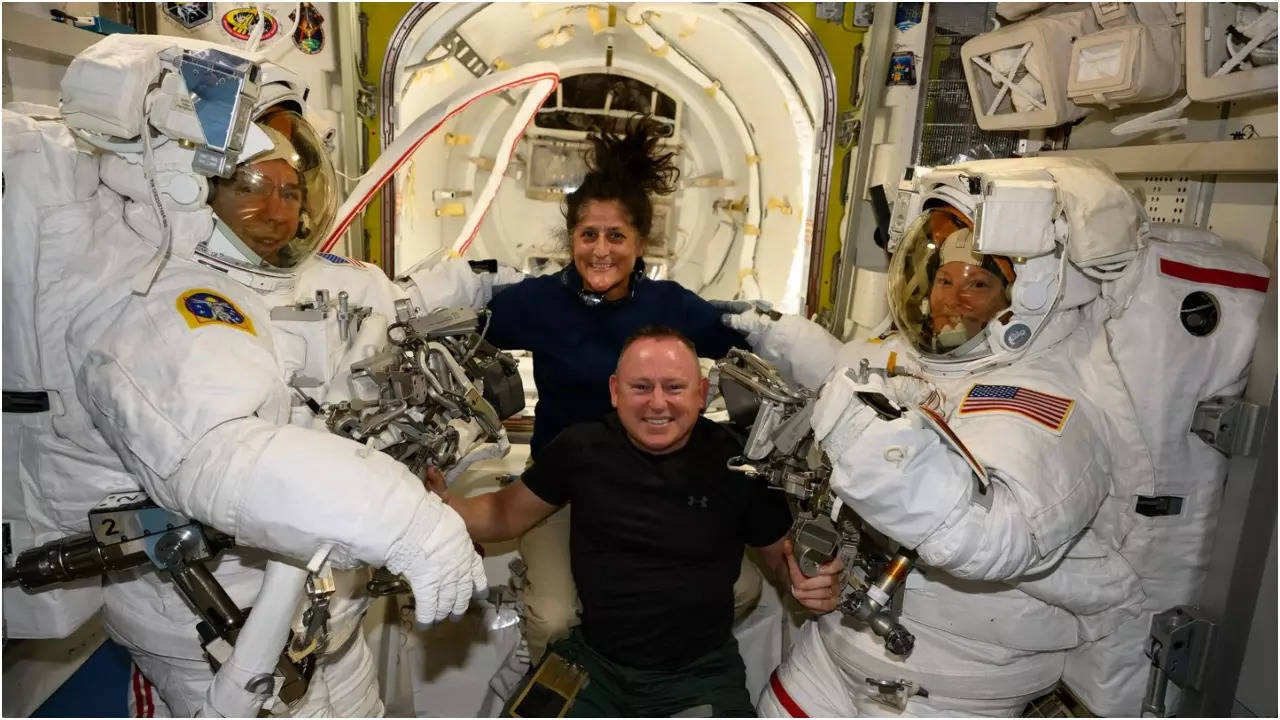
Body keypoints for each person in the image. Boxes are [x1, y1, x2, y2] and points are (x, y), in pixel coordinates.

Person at [3, 35, 511, 717]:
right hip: (222, 638)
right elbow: (224, 455)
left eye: (293, 192)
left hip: (322, 621)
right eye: (256, 189)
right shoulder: (161, 306)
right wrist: (410, 525)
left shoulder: (287, 277)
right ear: (192, 183)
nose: (280, 213)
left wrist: (496, 282)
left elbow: (394, 300)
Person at [724, 159, 1151, 716]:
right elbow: (839, 374)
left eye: (978, 282)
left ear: (1027, 296)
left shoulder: (1045, 400)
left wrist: (860, 435)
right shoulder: (904, 354)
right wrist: (768, 329)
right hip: (838, 650)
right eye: (945, 279)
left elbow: (991, 536)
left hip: (947, 689)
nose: (953, 297)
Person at [429, 326, 843, 717]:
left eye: (674, 387)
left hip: (697, 677)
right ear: (615, 391)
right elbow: (502, 514)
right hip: (592, 666)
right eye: (641, 387)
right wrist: (439, 503)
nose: (657, 403)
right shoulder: (582, 448)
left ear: (701, 394)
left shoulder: (738, 466)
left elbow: (780, 558)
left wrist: (807, 582)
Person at [475, 117, 759, 663]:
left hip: (655, 486)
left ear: (640, 243)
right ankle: (575, 685)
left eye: (615, 236)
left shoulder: (670, 307)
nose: (600, 250)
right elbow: (464, 327)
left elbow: (744, 343)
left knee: (739, 591)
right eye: (588, 235)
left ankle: (647, 673)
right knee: (554, 618)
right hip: (559, 488)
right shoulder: (535, 304)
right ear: (571, 240)